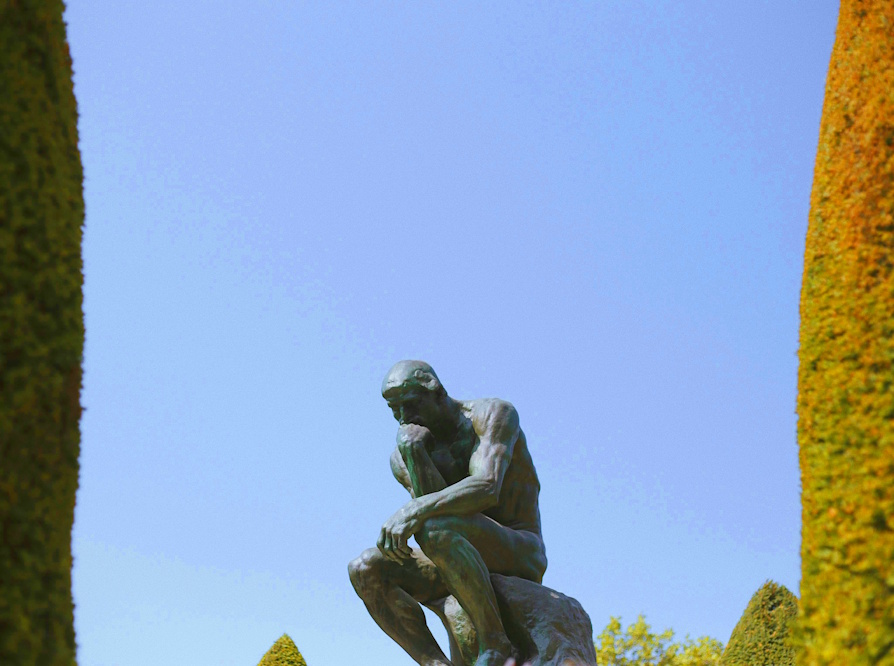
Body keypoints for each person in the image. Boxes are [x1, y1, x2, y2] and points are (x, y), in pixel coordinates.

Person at [348, 360, 547, 666]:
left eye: (411, 405)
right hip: (452, 553)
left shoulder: (491, 415)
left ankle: (495, 643)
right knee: (366, 568)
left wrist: (414, 509)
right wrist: (415, 454)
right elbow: (432, 516)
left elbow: (487, 487)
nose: (404, 418)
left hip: (517, 548)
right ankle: (434, 662)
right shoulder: (404, 455)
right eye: (395, 410)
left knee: (434, 527)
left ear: (437, 392)